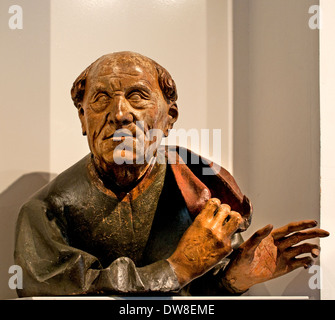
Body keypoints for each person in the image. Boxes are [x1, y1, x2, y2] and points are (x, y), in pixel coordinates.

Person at [14, 51, 329, 297]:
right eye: (100, 99)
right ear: (83, 118)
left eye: (137, 95)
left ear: (169, 117)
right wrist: (174, 269)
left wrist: (233, 279)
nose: (120, 113)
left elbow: (189, 299)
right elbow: (41, 285)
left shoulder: (202, 190)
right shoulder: (46, 211)